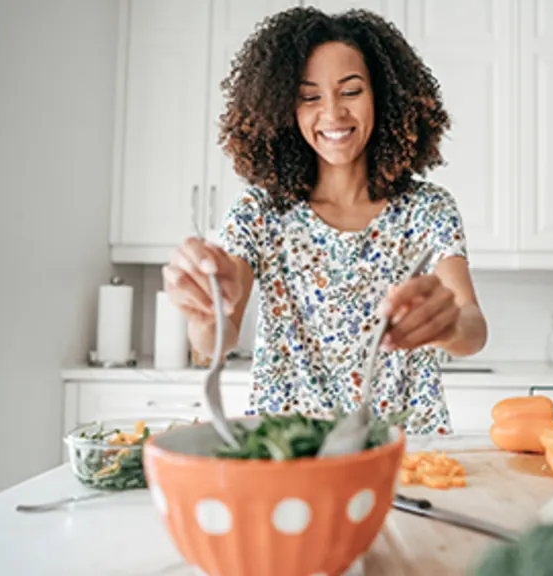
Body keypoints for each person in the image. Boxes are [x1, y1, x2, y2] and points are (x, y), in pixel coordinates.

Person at [162, 7, 488, 435]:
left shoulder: (425, 209)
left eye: (350, 91)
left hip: (407, 453)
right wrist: (206, 314)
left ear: (382, 96)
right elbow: (213, 346)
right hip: (291, 450)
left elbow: (473, 328)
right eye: (309, 97)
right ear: (282, 110)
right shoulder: (260, 212)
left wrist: (445, 325)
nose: (333, 114)